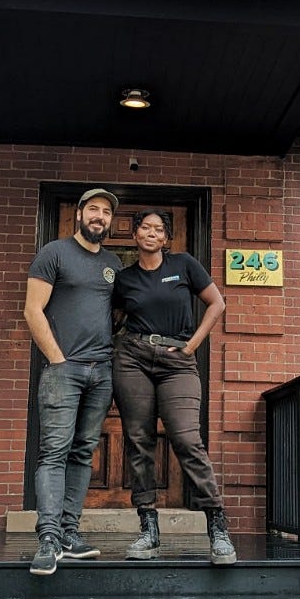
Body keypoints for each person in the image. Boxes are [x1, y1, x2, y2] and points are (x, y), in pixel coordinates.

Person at [112, 208, 235, 565]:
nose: (151, 233)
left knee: (185, 438)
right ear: (135, 235)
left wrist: (192, 345)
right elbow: (115, 318)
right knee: (138, 440)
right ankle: (148, 529)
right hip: (132, 357)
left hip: (177, 360)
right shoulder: (124, 279)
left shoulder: (183, 264)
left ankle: (217, 527)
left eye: (158, 229)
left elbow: (217, 303)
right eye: (144, 228)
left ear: (166, 238)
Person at [23, 188, 121, 577]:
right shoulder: (54, 252)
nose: (99, 216)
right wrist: (58, 359)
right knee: (54, 452)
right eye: (93, 209)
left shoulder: (113, 263)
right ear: (78, 214)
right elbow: (33, 310)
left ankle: (69, 532)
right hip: (64, 370)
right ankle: (47, 537)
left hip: (102, 372)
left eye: (106, 212)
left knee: (83, 453)